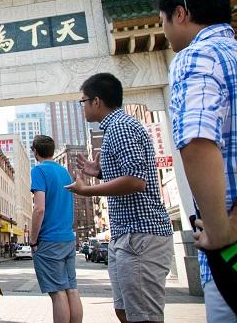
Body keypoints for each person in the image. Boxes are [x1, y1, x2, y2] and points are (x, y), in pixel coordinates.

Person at [154, 0, 237, 322]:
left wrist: (219, 229)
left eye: (163, 20)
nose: (164, 30)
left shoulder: (194, 57)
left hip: (229, 249)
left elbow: (197, 139)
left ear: (181, 14)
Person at [68, 73, 173, 323]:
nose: (81, 106)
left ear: (96, 101)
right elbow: (132, 173)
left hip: (140, 235)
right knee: (124, 311)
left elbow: (136, 181)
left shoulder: (121, 127)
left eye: (82, 101)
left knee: (143, 316)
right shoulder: (115, 128)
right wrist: (100, 171)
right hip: (126, 235)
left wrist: (88, 190)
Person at [29, 135, 83, 323]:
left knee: (57, 293)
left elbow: (39, 208)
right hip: (67, 238)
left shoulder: (39, 171)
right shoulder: (64, 172)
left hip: (49, 241)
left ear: (35, 151)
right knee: (71, 289)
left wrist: (33, 239)